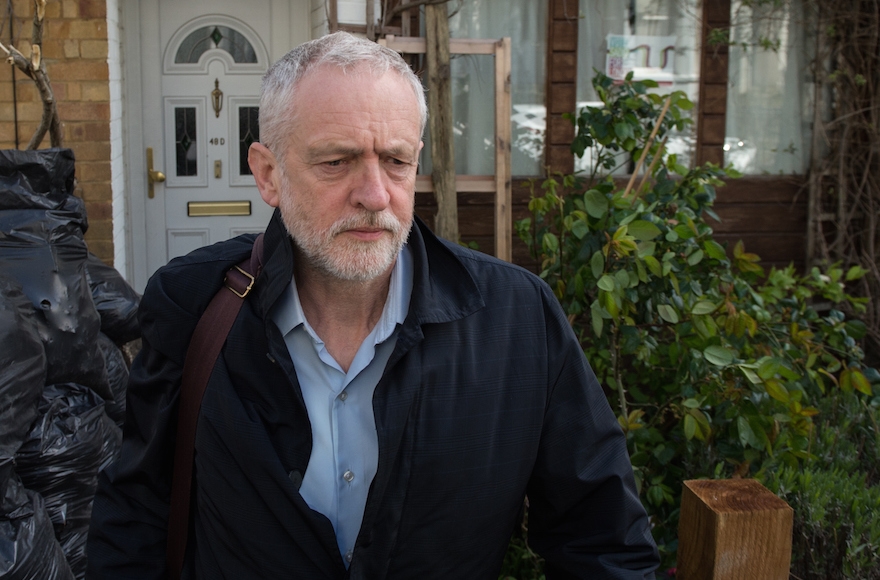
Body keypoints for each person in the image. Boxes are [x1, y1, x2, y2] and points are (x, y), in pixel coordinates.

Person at [87, 31, 659, 579]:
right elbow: (137, 514)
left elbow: (603, 543)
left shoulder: (517, 323)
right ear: (268, 174)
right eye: (336, 161)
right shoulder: (194, 305)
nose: (375, 194)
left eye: (395, 160)